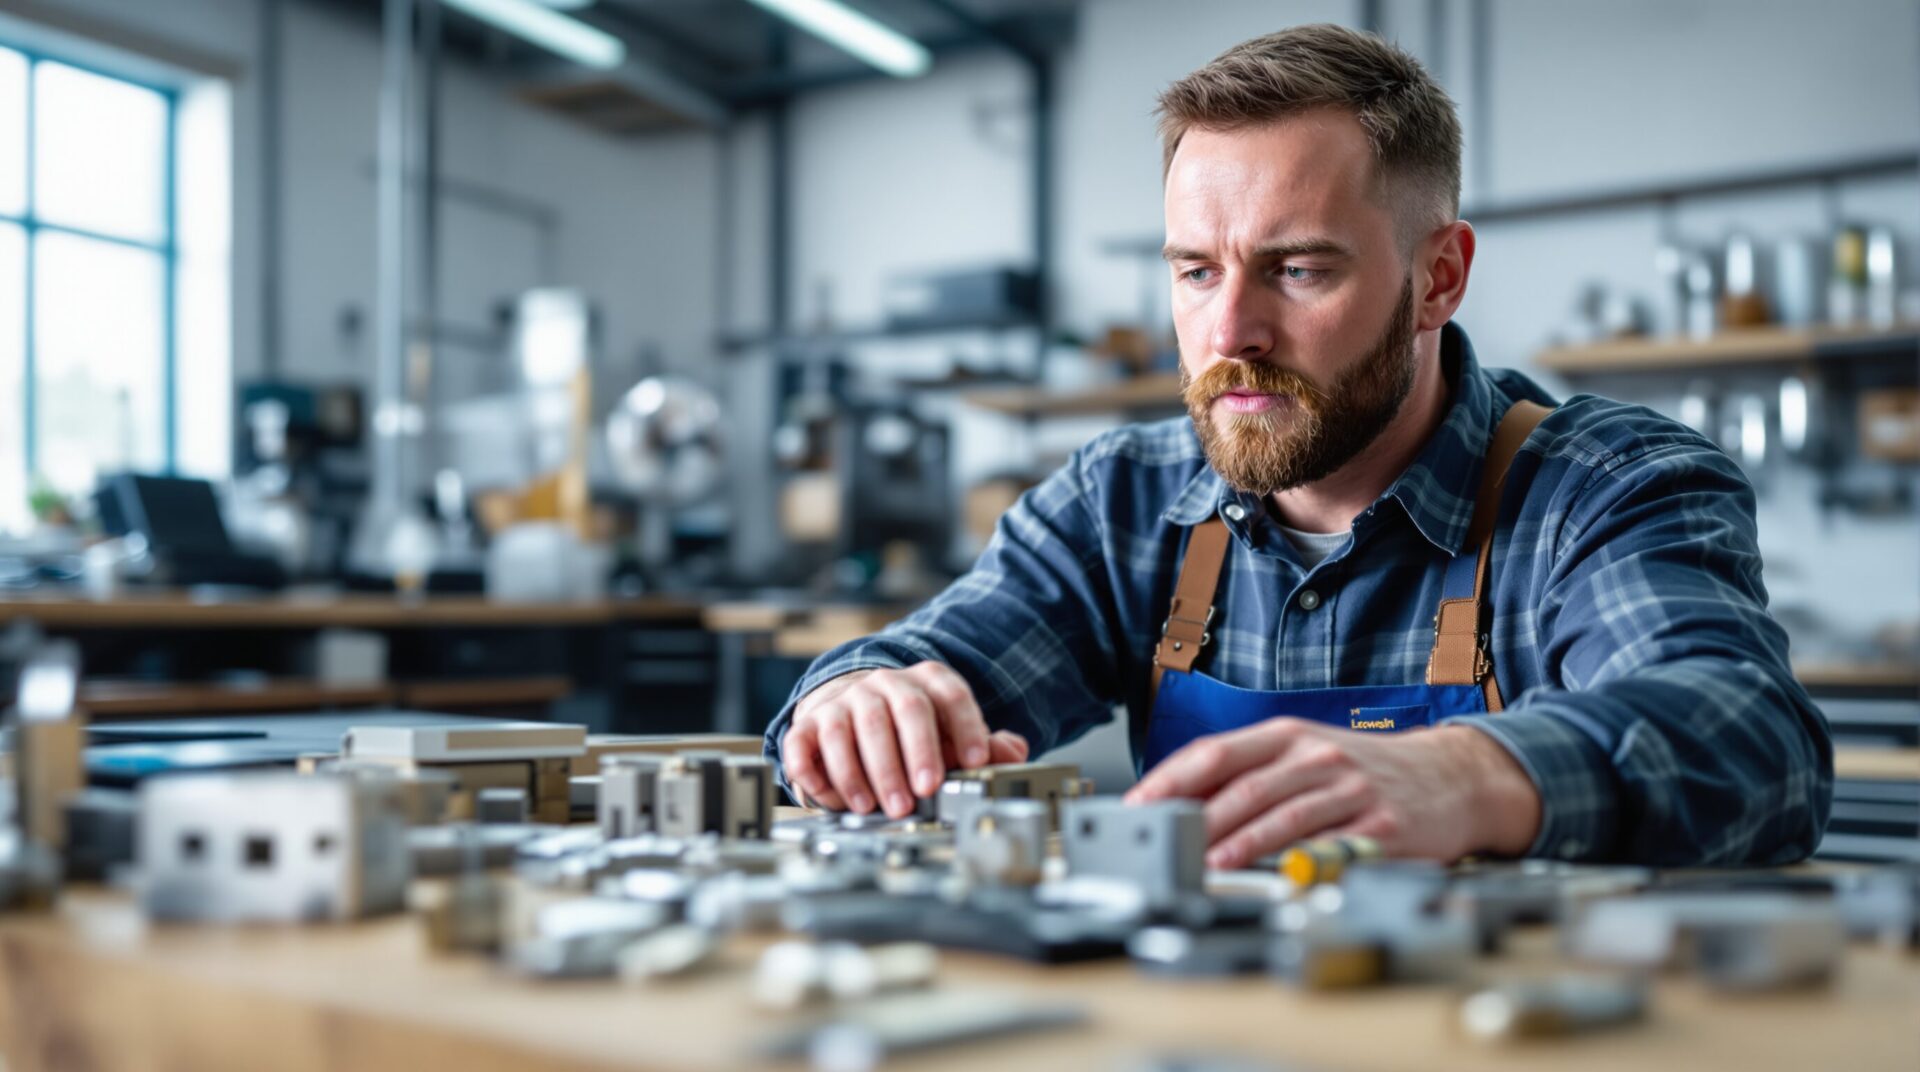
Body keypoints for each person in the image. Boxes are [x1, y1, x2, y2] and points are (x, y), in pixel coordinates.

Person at [761, 23, 1831, 869]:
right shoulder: (1122, 502)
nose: (1230, 334)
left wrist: (1471, 778)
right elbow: (925, 664)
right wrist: (861, 699)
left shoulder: (1601, 490)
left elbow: (1746, 740)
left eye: (1300, 270)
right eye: (1195, 271)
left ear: (1439, 277)